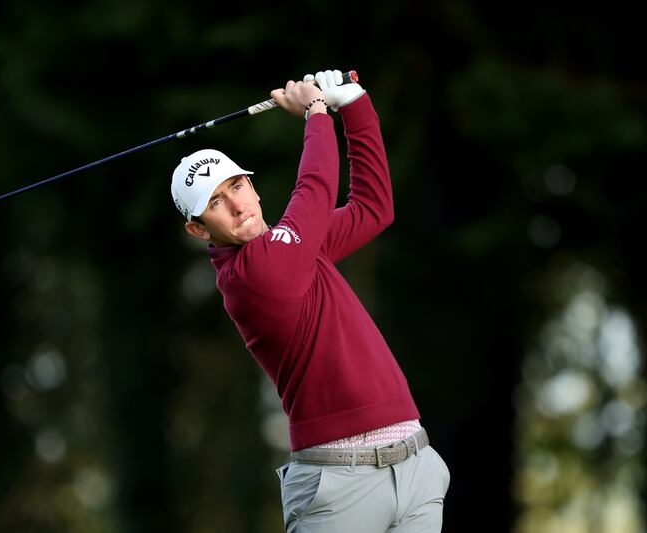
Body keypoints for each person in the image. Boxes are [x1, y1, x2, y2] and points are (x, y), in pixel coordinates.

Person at [170, 69, 450, 532]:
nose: (238, 205)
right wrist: (317, 113)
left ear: (253, 186)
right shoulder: (249, 276)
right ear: (199, 229)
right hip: (338, 486)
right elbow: (315, 191)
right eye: (216, 202)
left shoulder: (296, 246)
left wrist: (355, 104)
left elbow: (373, 207)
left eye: (237, 186)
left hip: (415, 466)